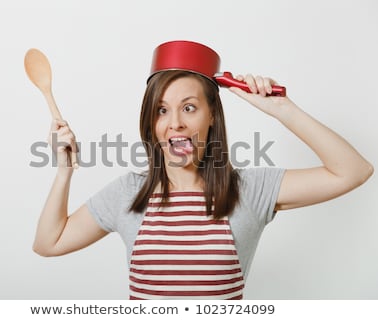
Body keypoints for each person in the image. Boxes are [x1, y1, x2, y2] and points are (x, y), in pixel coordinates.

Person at [32, 41, 373, 300]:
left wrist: (281, 110)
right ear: (151, 123)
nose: (175, 124)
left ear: (212, 117)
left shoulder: (250, 189)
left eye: (189, 108)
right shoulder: (127, 193)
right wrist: (64, 172)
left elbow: (353, 171)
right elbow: (49, 243)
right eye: (162, 110)